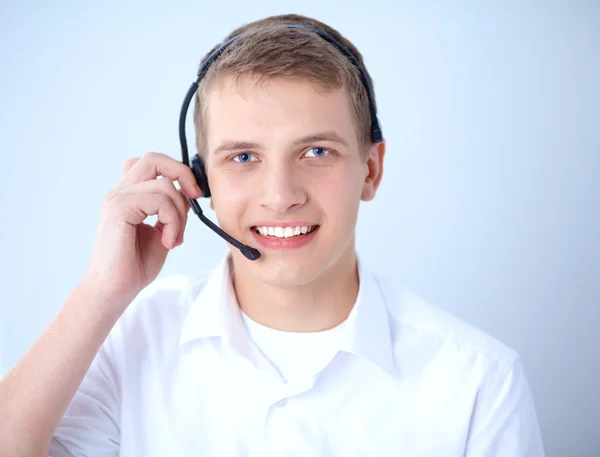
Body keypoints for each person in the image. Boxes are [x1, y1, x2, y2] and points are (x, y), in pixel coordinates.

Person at [0, 13, 545, 457]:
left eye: (316, 152)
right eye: (242, 157)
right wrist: (101, 292)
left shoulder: (479, 382)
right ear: (200, 179)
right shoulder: (134, 336)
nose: (280, 194)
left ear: (371, 172)